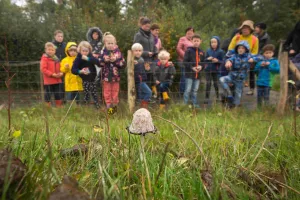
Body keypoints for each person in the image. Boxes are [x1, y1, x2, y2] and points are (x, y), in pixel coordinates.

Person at [220, 41, 260, 108]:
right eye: (239, 48)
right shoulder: (234, 56)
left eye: (242, 48)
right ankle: (229, 95)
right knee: (222, 79)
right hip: (231, 76)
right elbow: (229, 59)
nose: (240, 49)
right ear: (236, 49)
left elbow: (260, 57)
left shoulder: (248, 56)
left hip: (240, 80)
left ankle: (236, 108)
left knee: (238, 94)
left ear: (246, 49)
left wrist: (253, 59)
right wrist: (228, 62)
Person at [228, 20, 259, 95]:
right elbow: (230, 49)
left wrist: (249, 58)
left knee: (251, 73)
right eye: (243, 28)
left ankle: (251, 89)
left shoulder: (255, 39)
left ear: (251, 29)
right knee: (234, 77)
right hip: (236, 59)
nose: (244, 30)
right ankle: (234, 93)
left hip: (248, 60)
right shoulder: (237, 37)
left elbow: (255, 52)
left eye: (247, 28)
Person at [99, 33, 126, 114]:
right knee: (107, 92)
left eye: (112, 43)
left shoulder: (118, 53)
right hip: (106, 76)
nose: (110, 45)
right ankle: (108, 109)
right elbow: (99, 62)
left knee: (115, 92)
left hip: (115, 77)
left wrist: (116, 61)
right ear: (105, 44)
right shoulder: (103, 52)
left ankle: (113, 111)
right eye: (108, 43)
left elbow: (123, 64)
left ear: (115, 43)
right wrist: (104, 60)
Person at [133, 17, 158, 98]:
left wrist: (155, 52)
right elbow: (135, 48)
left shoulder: (151, 35)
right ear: (142, 25)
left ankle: (148, 99)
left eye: (148, 26)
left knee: (150, 81)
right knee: (143, 81)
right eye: (146, 26)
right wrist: (147, 53)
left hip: (151, 61)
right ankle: (141, 100)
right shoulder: (138, 35)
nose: (147, 28)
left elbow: (154, 46)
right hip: (142, 61)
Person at [72, 41, 101, 109]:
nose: (85, 52)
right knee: (86, 93)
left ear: (89, 50)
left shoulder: (90, 56)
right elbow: (73, 70)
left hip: (93, 78)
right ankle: (85, 107)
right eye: (83, 51)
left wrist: (88, 58)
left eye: (86, 51)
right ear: (79, 50)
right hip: (84, 79)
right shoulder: (78, 58)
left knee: (94, 93)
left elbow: (98, 63)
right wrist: (80, 71)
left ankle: (97, 107)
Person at [183, 34, 205, 108]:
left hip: (198, 75)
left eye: (197, 41)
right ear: (192, 41)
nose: (196, 42)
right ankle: (185, 104)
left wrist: (201, 66)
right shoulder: (188, 51)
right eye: (194, 41)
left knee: (195, 90)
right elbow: (185, 62)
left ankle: (194, 104)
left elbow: (204, 62)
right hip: (189, 74)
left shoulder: (202, 52)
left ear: (200, 41)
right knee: (188, 90)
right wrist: (192, 67)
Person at [40, 42, 63, 107]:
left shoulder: (57, 59)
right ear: (45, 50)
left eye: (52, 50)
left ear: (55, 51)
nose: (50, 51)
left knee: (58, 94)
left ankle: (59, 108)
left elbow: (60, 67)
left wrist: (61, 73)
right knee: (48, 95)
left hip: (57, 80)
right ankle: (48, 108)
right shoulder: (44, 59)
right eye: (49, 49)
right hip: (49, 81)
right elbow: (43, 69)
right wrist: (52, 74)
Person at [204, 36, 225, 103]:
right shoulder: (208, 50)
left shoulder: (221, 51)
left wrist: (217, 61)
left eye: (215, 42)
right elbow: (204, 60)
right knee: (208, 83)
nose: (213, 43)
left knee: (216, 84)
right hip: (208, 69)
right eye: (212, 42)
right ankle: (206, 98)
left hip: (216, 70)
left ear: (218, 43)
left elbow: (223, 61)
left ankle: (217, 96)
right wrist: (208, 59)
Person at [132, 43, 152, 109]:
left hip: (143, 80)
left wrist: (147, 70)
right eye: (136, 50)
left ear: (142, 51)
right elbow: (127, 70)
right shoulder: (132, 60)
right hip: (138, 81)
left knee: (141, 96)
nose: (138, 52)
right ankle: (142, 107)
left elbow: (143, 71)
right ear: (132, 51)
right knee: (148, 92)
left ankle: (141, 109)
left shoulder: (142, 59)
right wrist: (133, 64)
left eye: (139, 51)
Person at [176, 27, 194, 94]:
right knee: (184, 76)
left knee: (190, 77)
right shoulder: (182, 39)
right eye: (189, 31)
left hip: (192, 62)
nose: (190, 33)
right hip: (183, 61)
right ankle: (182, 92)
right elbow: (178, 49)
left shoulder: (194, 40)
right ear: (186, 32)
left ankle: (188, 92)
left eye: (192, 31)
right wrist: (186, 57)